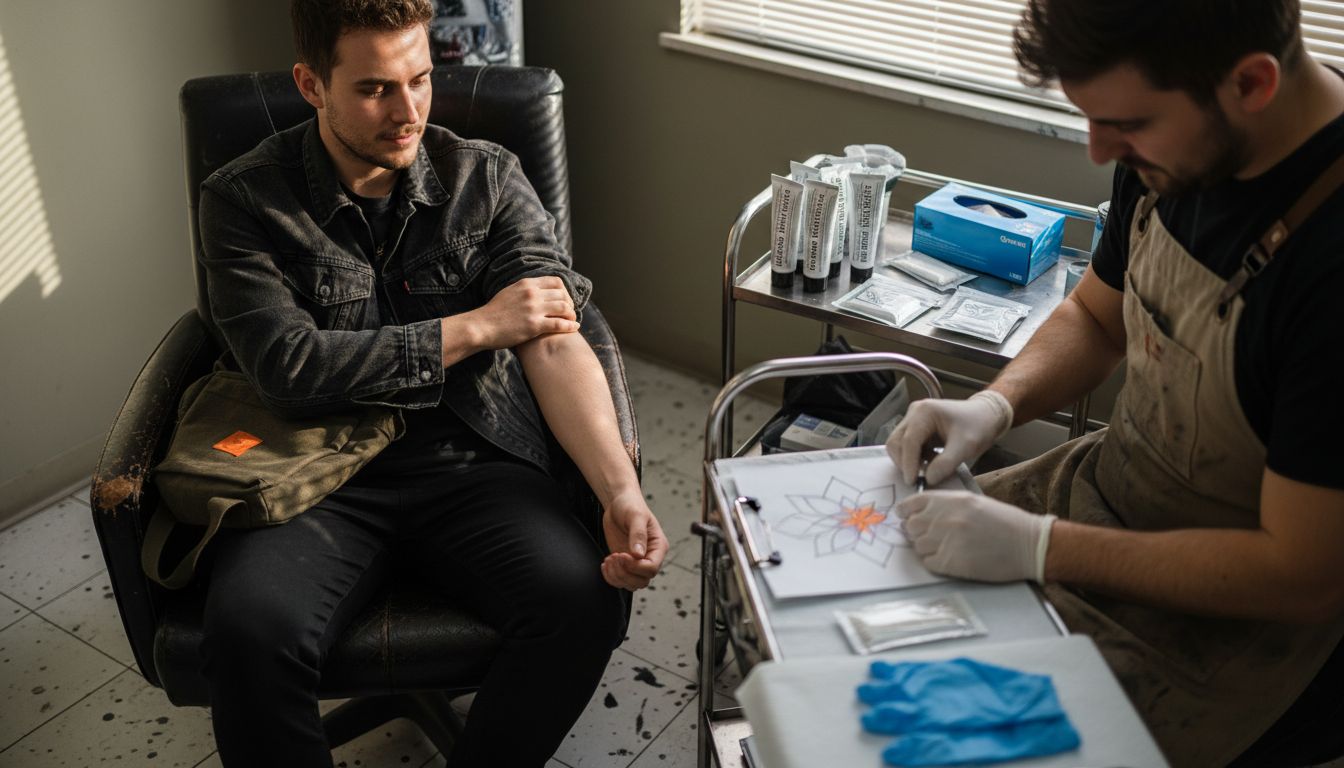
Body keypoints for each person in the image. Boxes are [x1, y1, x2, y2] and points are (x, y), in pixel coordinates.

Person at [193, 1, 667, 765]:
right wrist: (477, 326)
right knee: (249, 634)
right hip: (317, 470)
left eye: (420, 79)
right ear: (312, 84)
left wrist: (620, 492)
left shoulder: (487, 175)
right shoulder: (244, 200)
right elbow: (290, 370)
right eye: (376, 89)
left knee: (583, 602)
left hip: (472, 459)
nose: (407, 111)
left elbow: (551, 338)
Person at [886, 1, 1344, 764]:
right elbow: (1097, 317)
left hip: (1244, 621)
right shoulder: (1179, 149)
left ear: (1252, 84)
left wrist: (1040, 550)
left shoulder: (1329, 267)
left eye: (1125, 125)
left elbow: (1301, 578)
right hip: (1105, 491)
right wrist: (996, 403)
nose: (1100, 152)